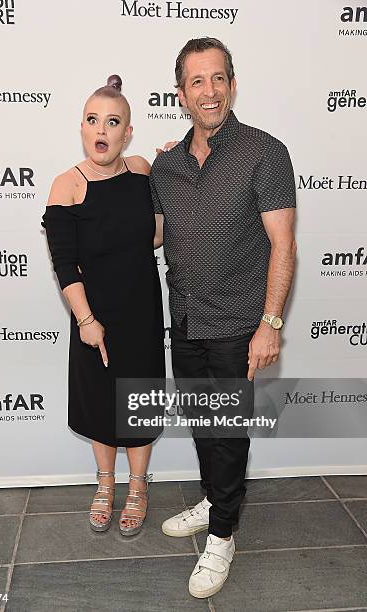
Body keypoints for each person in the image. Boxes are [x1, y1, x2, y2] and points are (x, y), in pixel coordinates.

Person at [150, 38, 297, 598]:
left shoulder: (265, 152)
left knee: (229, 432)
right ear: (181, 94)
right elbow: (155, 235)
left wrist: (271, 323)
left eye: (217, 79)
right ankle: (216, 497)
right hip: (185, 320)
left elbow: (283, 246)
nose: (207, 91)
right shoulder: (166, 165)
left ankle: (223, 534)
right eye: (196, 82)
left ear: (232, 85)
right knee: (203, 425)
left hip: (239, 325)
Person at [41, 75, 165, 536]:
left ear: (127, 132)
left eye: (113, 122)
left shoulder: (141, 170)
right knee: (99, 399)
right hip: (94, 313)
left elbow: (154, 236)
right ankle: (106, 484)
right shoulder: (66, 185)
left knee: (140, 398)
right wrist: (86, 320)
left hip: (141, 308)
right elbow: (65, 264)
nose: (102, 130)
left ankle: (138, 486)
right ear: (82, 126)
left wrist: (172, 170)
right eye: (93, 120)